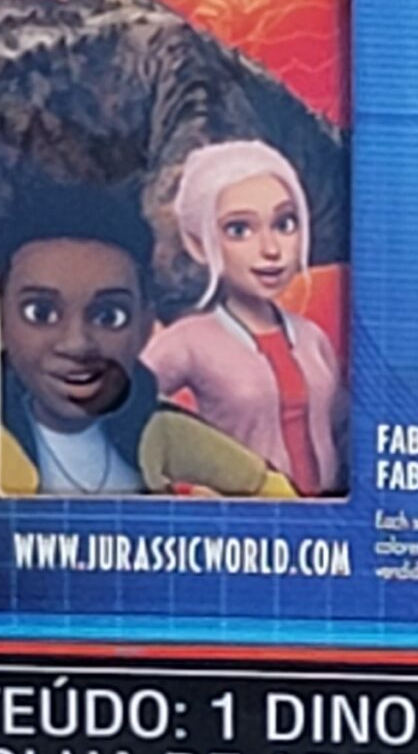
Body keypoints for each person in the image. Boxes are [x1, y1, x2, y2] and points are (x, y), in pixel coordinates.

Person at [0, 182, 292, 498]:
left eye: (109, 317)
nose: (76, 343)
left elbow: (267, 487)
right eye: (41, 313)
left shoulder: (158, 427)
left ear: (145, 325)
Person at [143, 140, 346, 495]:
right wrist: (173, 492)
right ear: (198, 244)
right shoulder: (188, 341)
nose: (270, 249)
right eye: (239, 229)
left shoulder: (312, 337)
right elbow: (121, 412)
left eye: (284, 223)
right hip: (243, 517)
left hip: (326, 516)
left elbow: (344, 428)